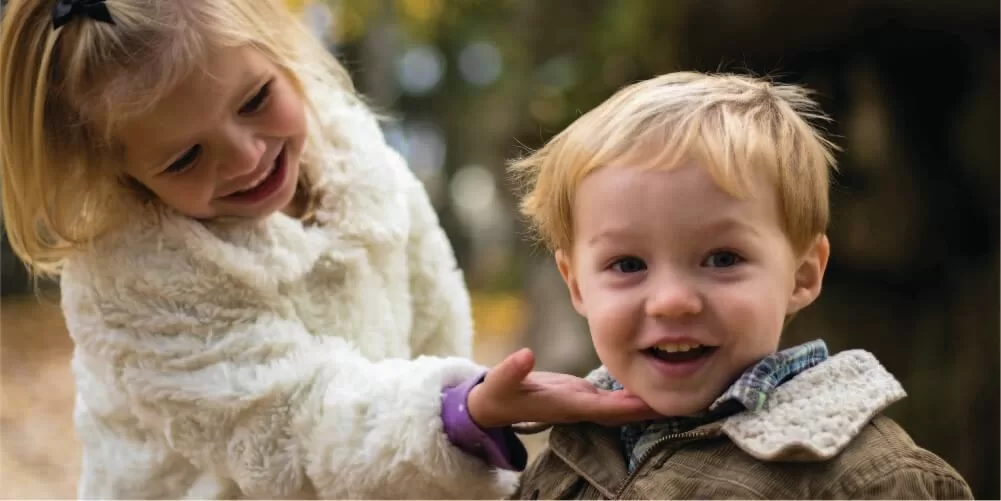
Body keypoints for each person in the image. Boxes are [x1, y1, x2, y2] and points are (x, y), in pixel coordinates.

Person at [0, 0, 653, 498]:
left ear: (281, 50)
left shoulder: (353, 159)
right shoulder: (133, 282)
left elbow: (431, 317)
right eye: (186, 156)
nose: (247, 157)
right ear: (123, 173)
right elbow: (289, 425)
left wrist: (466, 432)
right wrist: (455, 413)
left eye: (256, 99)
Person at [490, 71, 974, 499]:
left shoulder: (865, 479)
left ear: (802, 276)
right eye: (628, 264)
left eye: (722, 259)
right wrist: (465, 424)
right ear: (577, 287)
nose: (672, 301)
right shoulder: (572, 448)